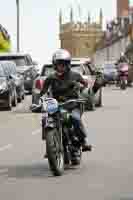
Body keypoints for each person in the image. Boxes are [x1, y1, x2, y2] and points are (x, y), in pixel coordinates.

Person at [40, 49, 92, 156]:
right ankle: (49, 146)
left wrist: (82, 88)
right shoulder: (50, 78)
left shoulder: (75, 75)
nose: (61, 67)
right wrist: (40, 101)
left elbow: (85, 86)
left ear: (68, 65)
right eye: (58, 64)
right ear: (55, 65)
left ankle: (83, 141)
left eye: (63, 64)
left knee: (75, 118)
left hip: (73, 104)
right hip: (56, 106)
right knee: (45, 119)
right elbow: (43, 92)